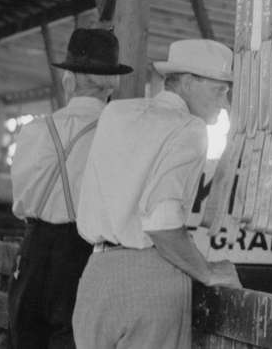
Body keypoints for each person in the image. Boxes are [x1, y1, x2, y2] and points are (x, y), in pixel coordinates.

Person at [73, 39, 242, 349]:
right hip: (151, 277)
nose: (224, 102)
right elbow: (161, 221)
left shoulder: (115, 114)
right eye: (219, 90)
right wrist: (207, 272)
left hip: (95, 276)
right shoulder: (189, 128)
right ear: (189, 82)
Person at [8, 28, 132, 349]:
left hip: (34, 248)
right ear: (112, 85)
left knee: (25, 336)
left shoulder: (34, 130)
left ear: (69, 81)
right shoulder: (119, 133)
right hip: (85, 252)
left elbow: (21, 201)